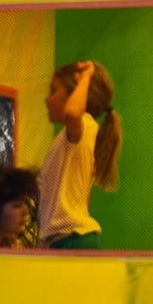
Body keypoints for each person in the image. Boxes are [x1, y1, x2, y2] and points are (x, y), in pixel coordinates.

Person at [34, 59, 121, 249]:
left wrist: (86, 76)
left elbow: (73, 113)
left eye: (53, 91)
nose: (47, 99)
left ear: (76, 95)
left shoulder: (83, 124)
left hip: (75, 241)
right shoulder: (69, 139)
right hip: (62, 241)